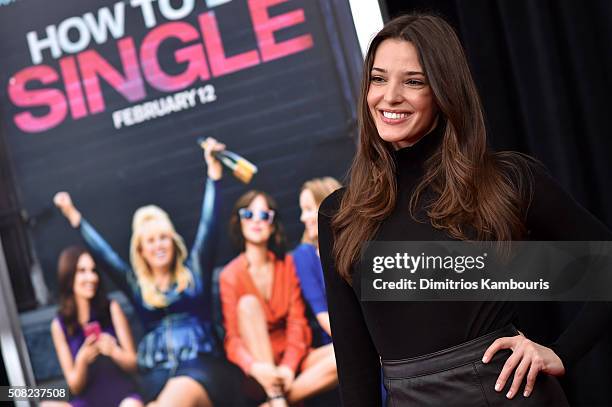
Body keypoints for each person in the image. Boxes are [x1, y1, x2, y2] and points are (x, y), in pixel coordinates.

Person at [318, 14, 612, 407]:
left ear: (444, 90)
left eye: (414, 81)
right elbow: (355, 367)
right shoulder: (340, 213)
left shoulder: (504, 180)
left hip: (508, 394)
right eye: (378, 78)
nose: (389, 96)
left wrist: (561, 351)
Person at [54, 138, 245, 407]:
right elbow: (105, 256)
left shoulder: (194, 275)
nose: (159, 246)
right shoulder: (138, 288)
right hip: (156, 377)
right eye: (151, 241)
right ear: (141, 251)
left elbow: (209, 226)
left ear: (173, 242)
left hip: (202, 369)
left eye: (163, 238)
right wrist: (75, 217)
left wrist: (214, 174)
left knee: (170, 397)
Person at [220, 190, 336, 407]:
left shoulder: (287, 266)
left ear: (272, 226)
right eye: (249, 214)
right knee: (248, 304)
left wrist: (288, 368)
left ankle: (276, 402)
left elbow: (297, 324)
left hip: (292, 363)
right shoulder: (230, 275)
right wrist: (256, 368)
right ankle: (276, 397)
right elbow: (233, 340)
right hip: (257, 371)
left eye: (264, 216)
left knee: (345, 355)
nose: (256, 221)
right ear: (239, 222)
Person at [50, 246, 142, 407]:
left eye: (93, 271)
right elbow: (74, 387)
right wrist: (82, 360)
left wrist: (114, 351)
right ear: (69, 276)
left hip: (122, 397)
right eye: (82, 271)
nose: (91, 277)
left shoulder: (111, 308)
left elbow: (134, 365)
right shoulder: (59, 325)